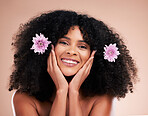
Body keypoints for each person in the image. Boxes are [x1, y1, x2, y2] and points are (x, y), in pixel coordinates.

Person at [9, 10, 137, 116]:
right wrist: (62, 90)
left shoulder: (102, 99)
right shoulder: (24, 99)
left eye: (82, 46)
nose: (72, 51)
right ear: (47, 47)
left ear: (94, 55)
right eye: (64, 43)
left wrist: (74, 91)